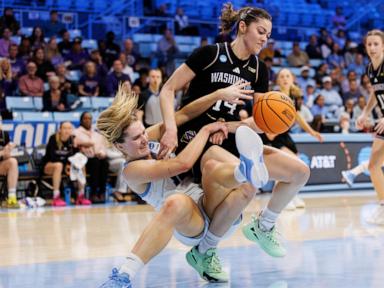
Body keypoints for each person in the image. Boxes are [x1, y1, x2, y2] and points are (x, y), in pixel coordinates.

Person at [159, 2, 310, 261]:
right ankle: (206, 252)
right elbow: (168, 89)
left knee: (299, 172)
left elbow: (259, 121)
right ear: (242, 27)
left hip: (230, 136)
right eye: (261, 31)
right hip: (198, 138)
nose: (265, 39)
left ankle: (263, 226)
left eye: (268, 35)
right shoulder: (209, 54)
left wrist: (227, 126)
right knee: (249, 181)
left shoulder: (259, 69)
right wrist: (170, 129)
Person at [97, 85, 268, 287]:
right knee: (175, 201)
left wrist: (217, 95)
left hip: (218, 209)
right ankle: (123, 276)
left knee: (219, 163)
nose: (144, 138)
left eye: (143, 132)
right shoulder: (131, 171)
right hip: (192, 223)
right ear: (119, 146)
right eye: (136, 138)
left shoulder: (147, 137)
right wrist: (206, 130)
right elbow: (181, 165)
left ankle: (244, 172)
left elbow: (185, 114)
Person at [261, 68, 323, 210]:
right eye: (282, 76)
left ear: (293, 78)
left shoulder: (294, 96)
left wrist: (312, 132)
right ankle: (283, 200)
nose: (285, 79)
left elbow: (297, 117)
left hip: (284, 134)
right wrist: (270, 132)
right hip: (273, 134)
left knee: (296, 164)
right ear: (277, 80)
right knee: (285, 167)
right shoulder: (274, 96)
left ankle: (291, 196)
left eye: (287, 76)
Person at [355, 29, 384, 225]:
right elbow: (376, 93)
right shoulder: (370, 69)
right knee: (373, 165)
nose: (372, 47)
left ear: (383, 46)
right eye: (369, 44)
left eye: (376, 44)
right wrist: (365, 112)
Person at [42, 121, 90, 206]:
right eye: (64, 128)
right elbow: (52, 157)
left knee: (80, 164)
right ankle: (56, 196)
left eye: (69, 128)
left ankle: (81, 195)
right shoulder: (53, 138)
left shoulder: (72, 139)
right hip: (50, 165)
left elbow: (76, 156)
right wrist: (67, 162)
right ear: (60, 129)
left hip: (66, 167)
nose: (67, 130)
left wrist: (77, 148)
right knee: (58, 165)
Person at [74, 112, 109, 203]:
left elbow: (102, 148)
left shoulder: (97, 134)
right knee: (95, 162)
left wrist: (101, 153)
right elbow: (75, 145)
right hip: (85, 160)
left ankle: (102, 192)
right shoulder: (76, 132)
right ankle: (93, 193)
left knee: (105, 162)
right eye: (85, 118)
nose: (87, 120)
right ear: (81, 120)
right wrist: (83, 144)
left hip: (97, 157)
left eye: (89, 118)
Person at [0, 123, 18, 208]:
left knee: (12, 162)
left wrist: (8, 152)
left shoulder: (4, 134)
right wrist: (2, 152)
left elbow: (5, 156)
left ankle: (11, 197)